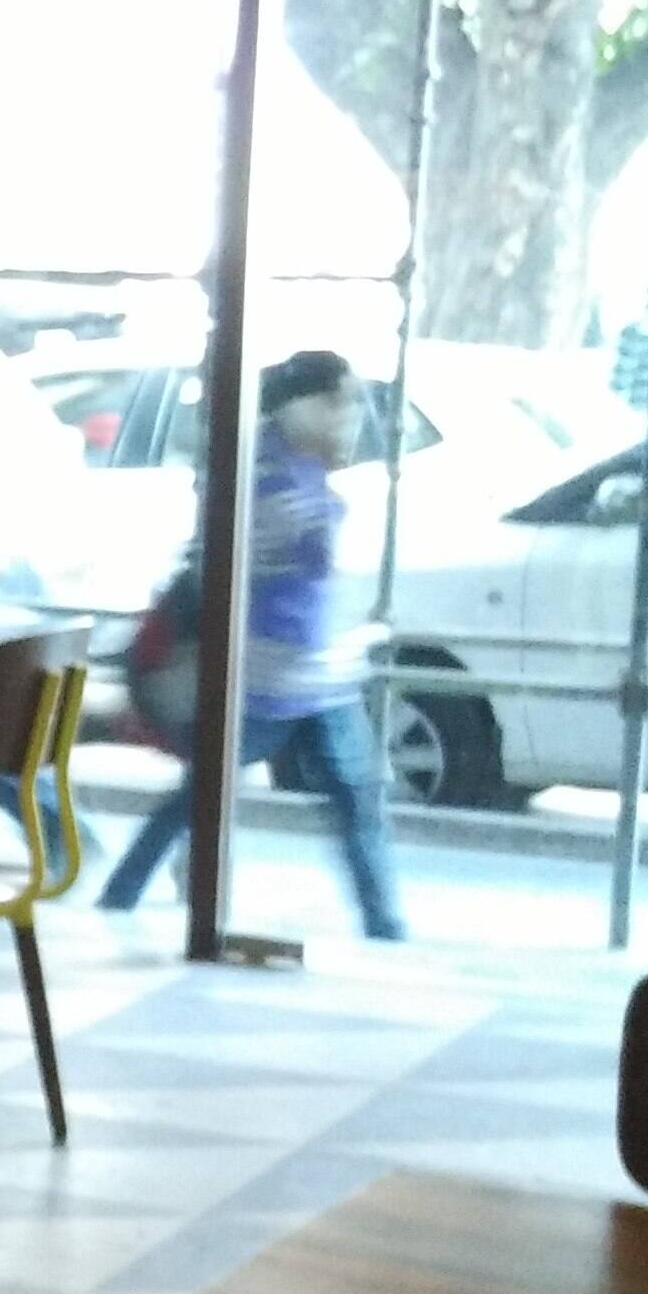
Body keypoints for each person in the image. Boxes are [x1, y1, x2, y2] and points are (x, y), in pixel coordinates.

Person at [100, 349, 407, 940]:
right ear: (308, 407)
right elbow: (301, 554)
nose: (351, 420)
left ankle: (385, 926)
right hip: (274, 673)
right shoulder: (273, 475)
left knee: (341, 798)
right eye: (341, 403)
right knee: (325, 798)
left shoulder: (277, 461)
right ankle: (385, 927)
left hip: (305, 674)